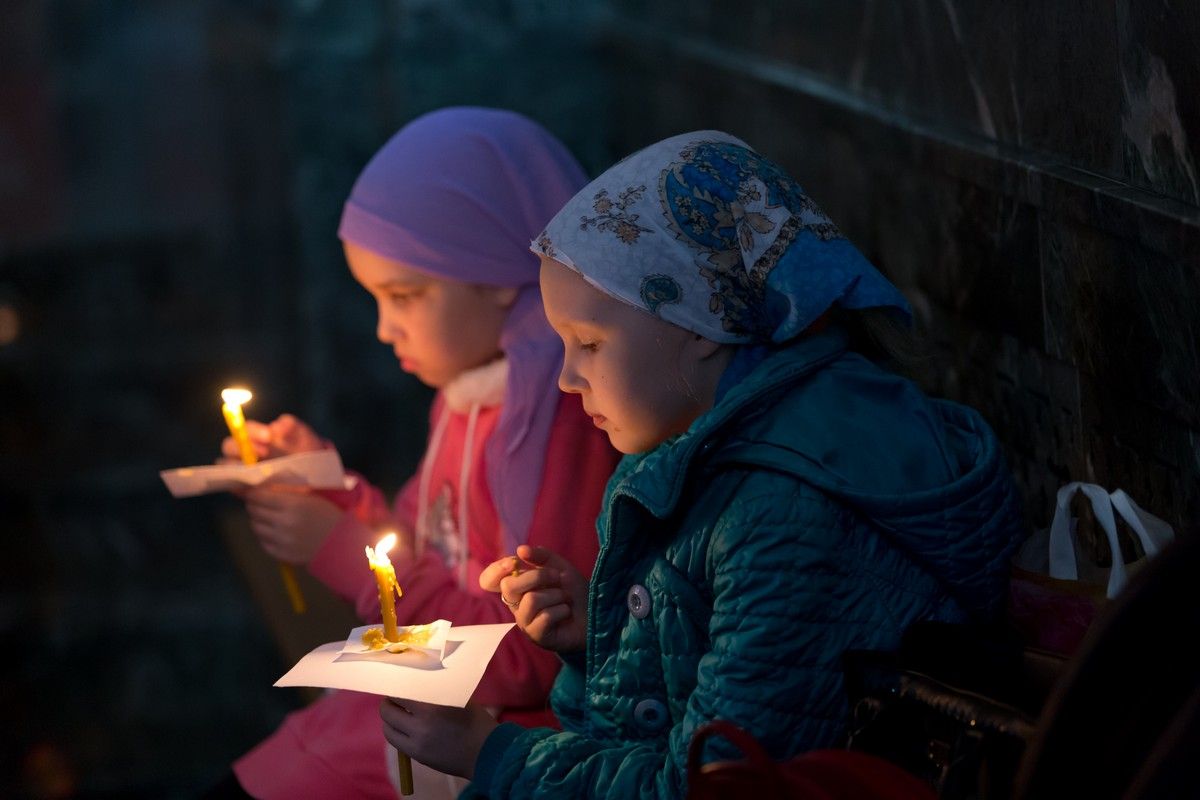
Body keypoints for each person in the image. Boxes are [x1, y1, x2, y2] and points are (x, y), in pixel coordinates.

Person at [377, 130, 1026, 798]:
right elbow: (682, 708)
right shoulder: (697, 448)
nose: (567, 379)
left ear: (697, 325)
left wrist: (491, 753)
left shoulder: (784, 517)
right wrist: (596, 638)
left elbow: (705, 785)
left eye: (589, 343)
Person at [220, 108, 620, 799]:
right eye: (375, 299)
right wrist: (325, 488)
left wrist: (339, 546)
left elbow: (527, 657)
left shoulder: (563, 418)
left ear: (498, 273)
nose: (384, 328)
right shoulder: (467, 399)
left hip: (487, 744)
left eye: (404, 296)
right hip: (409, 715)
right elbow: (420, 542)